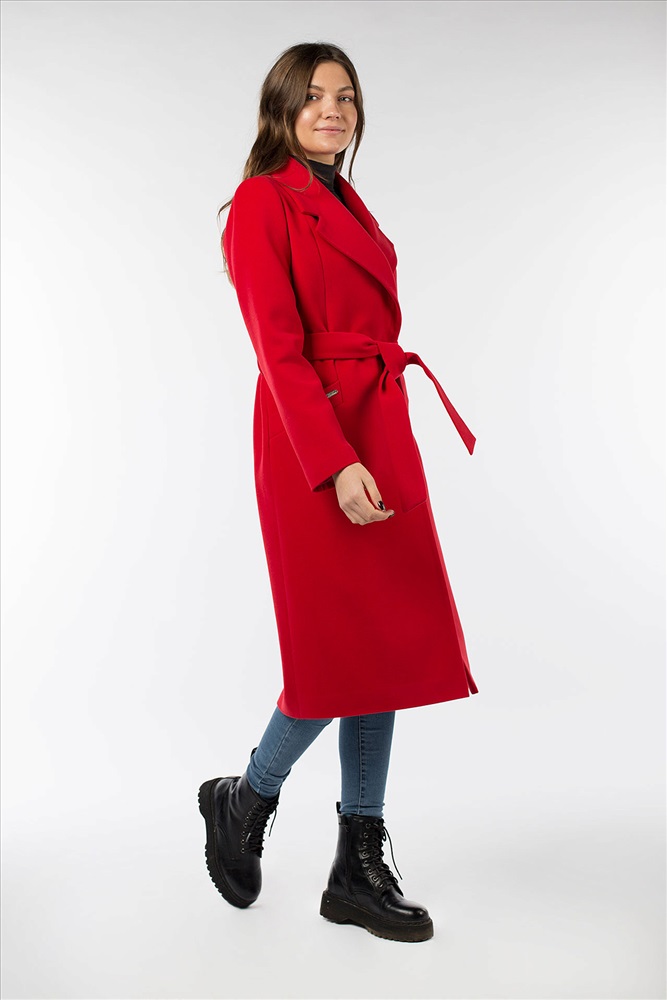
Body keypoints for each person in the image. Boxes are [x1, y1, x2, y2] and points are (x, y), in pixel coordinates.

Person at [199, 41, 479, 944]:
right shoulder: (261, 200)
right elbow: (276, 350)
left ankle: (356, 863)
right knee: (333, 650)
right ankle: (247, 796)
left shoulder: (344, 198)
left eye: (347, 97)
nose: (333, 110)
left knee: (383, 641)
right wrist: (332, 460)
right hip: (312, 438)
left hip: (377, 423)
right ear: (280, 108)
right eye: (315, 96)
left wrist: (368, 444)